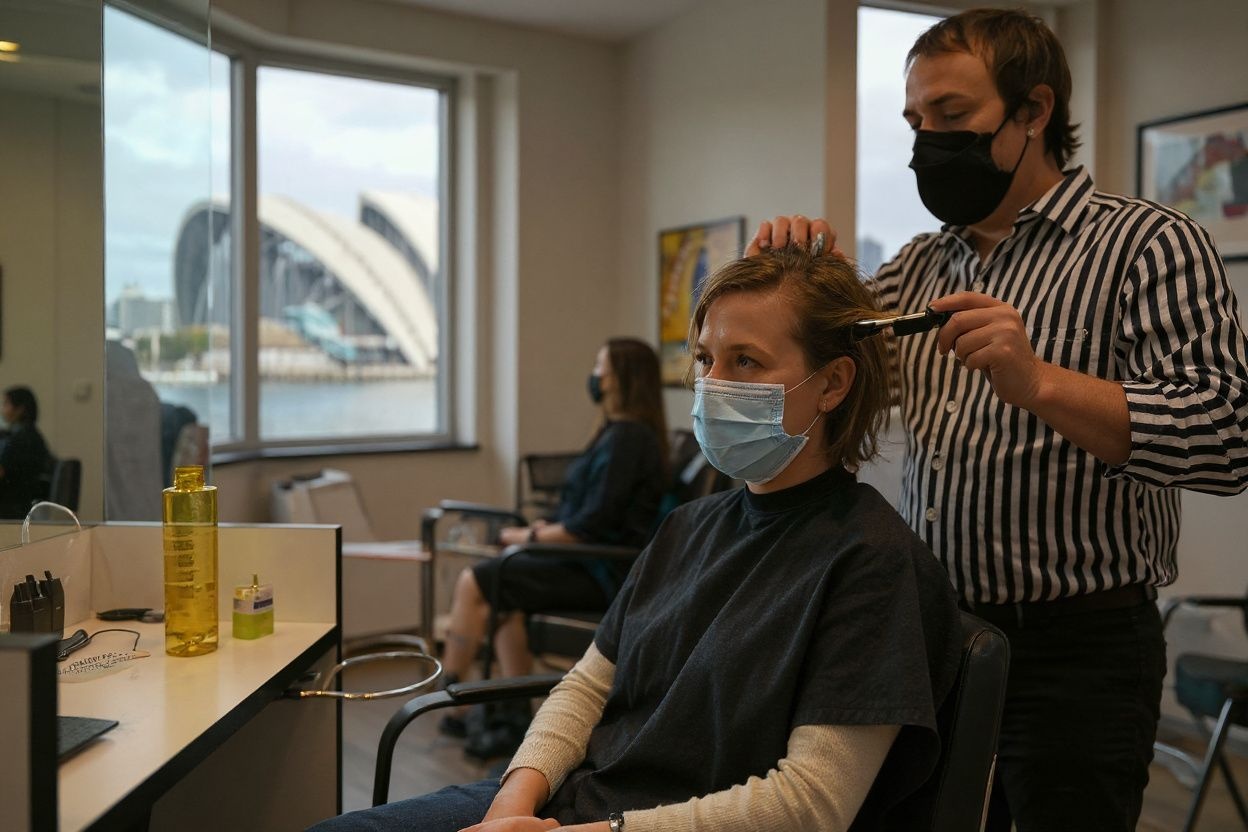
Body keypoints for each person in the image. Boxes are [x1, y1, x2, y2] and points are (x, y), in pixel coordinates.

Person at [752, 10, 1248, 831]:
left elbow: (1230, 434)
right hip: (932, 634)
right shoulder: (915, 266)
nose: (927, 144)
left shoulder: (1149, 246)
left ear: (1033, 111)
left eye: (952, 117)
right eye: (916, 123)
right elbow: (821, 397)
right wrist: (796, 286)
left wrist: (1040, 383)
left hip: (1080, 654)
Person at [310, 246, 962, 832]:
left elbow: (810, 805)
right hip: (571, 803)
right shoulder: (689, 528)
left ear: (834, 383)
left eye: (746, 361)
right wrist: (513, 806)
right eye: (706, 359)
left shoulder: (872, 562)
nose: (713, 384)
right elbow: (587, 688)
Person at [437, 337, 669, 752]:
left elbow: (593, 524)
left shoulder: (628, 439)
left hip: (605, 571)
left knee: (476, 581)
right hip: (585, 560)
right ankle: (514, 709)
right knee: (503, 602)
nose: (595, 377)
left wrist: (529, 536)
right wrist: (546, 528)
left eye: (602, 369)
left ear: (622, 379)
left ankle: (450, 700)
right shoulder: (616, 434)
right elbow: (587, 512)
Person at [0, 386, 54, 519]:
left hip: (14, 506)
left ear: (20, 409)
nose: (2, 409)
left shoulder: (21, 439)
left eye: (6, 403)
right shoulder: (32, 435)